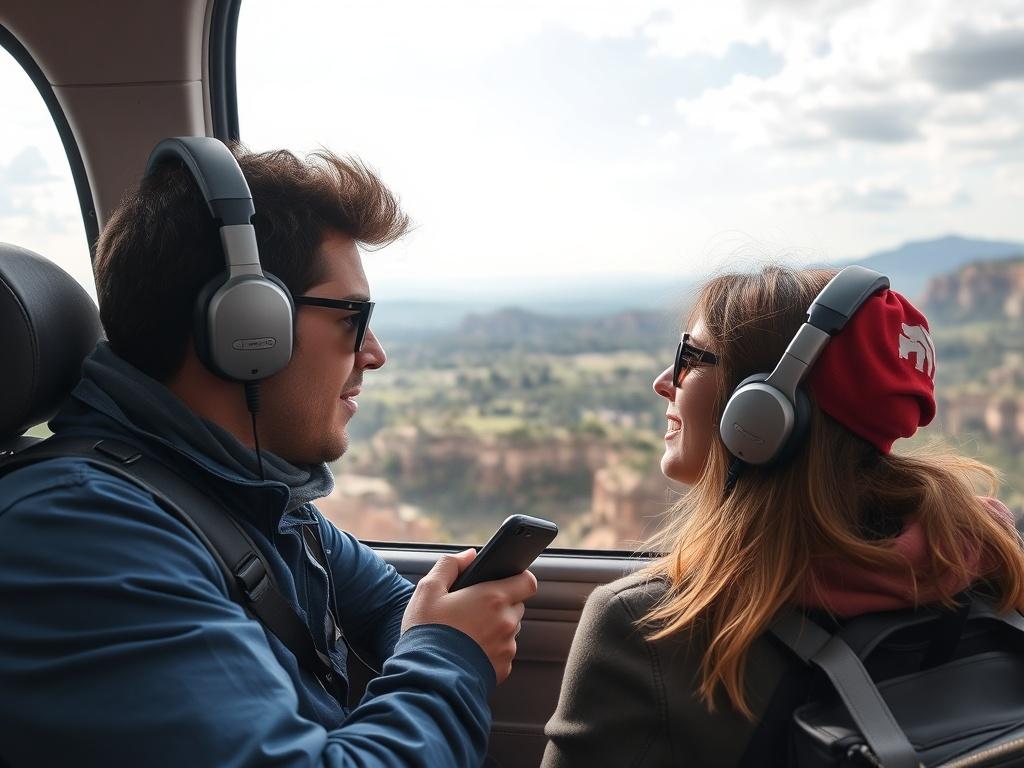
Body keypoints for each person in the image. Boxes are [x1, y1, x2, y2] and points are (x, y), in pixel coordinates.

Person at [0, 145, 536, 768]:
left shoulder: (238, 489)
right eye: (353, 318)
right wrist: (448, 656)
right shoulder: (81, 535)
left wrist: (437, 628)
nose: (375, 354)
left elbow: (392, 605)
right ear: (247, 328)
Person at [542, 265, 1024, 767]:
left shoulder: (652, 627)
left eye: (690, 357)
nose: (663, 382)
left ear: (763, 409)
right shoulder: (993, 565)